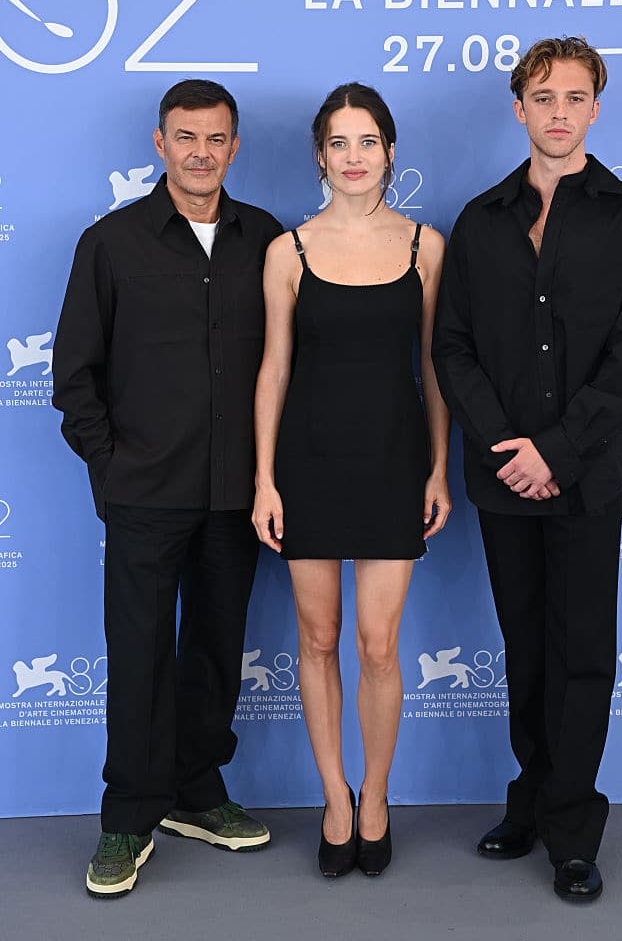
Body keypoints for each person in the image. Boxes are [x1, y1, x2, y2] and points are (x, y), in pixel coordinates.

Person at [433, 37, 622, 902]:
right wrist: (507, 449)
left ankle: (572, 828)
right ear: (518, 108)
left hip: (588, 476)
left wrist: (556, 453)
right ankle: (529, 801)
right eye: (542, 96)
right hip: (504, 477)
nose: (558, 112)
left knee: (580, 656)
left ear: (594, 109)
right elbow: (452, 347)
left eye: (574, 97)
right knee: (524, 651)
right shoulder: (480, 219)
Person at [52, 79, 282, 898]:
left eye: (215, 138)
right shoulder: (111, 243)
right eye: (185, 137)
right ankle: (127, 813)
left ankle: (197, 791)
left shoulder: (267, 239)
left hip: (236, 492)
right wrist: (112, 468)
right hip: (145, 491)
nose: (200, 152)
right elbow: (74, 376)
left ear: (233, 146)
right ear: (160, 144)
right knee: (140, 652)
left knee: (217, 647)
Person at [252, 83, 451, 877]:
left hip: (394, 462)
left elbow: (436, 369)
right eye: (338, 143)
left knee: (376, 646)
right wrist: (264, 479)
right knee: (318, 638)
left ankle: (376, 795)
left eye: (367, 141)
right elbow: (272, 370)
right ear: (319, 156)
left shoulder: (424, 247)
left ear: (390, 151)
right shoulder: (286, 251)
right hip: (307, 462)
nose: (354, 157)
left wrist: (439, 466)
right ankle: (332, 797)